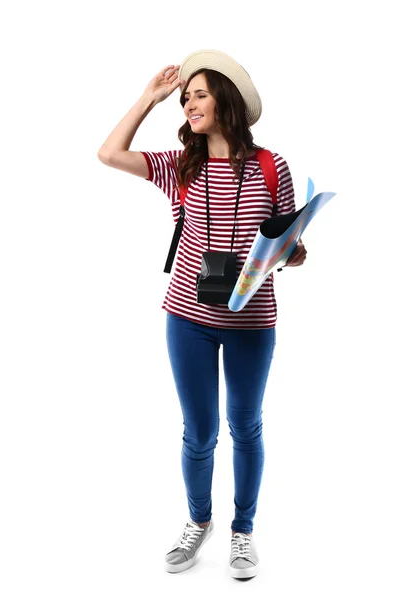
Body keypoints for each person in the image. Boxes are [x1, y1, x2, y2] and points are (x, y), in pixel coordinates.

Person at [97, 49, 307, 579]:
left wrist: (294, 251)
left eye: (200, 94)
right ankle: (198, 522)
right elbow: (108, 153)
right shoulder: (180, 165)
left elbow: (286, 243)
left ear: (227, 102)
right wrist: (150, 97)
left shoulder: (269, 166)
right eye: (185, 98)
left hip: (251, 320)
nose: (189, 104)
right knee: (199, 431)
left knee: (246, 425)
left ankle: (242, 532)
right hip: (186, 319)